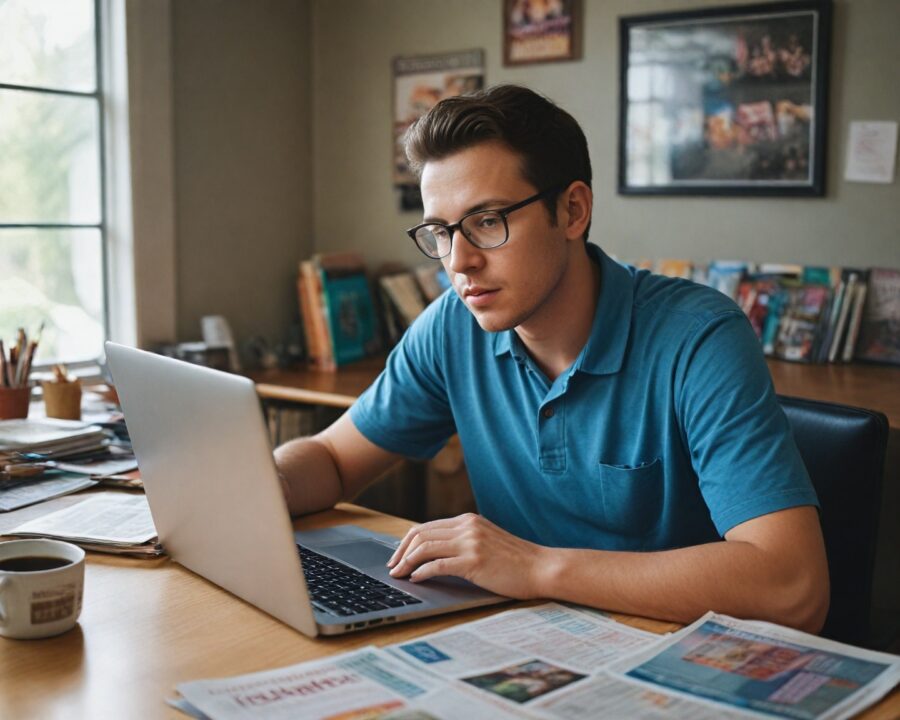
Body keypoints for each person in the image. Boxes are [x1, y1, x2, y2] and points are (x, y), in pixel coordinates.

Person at [276, 84, 829, 632]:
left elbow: (792, 586)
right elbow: (332, 459)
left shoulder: (699, 338)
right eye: (440, 232)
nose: (460, 261)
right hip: (526, 643)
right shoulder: (453, 324)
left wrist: (535, 566)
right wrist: (255, 486)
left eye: (487, 221)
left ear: (572, 211)